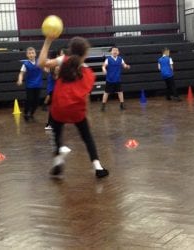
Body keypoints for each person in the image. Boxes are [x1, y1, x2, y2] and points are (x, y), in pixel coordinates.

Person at [38, 36, 109, 179]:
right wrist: (87, 115)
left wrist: (47, 41)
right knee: (87, 137)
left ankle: (58, 162)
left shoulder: (62, 60)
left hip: (59, 107)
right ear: (85, 54)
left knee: (57, 134)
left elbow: (41, 63)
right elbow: (85, 96)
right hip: (77, 110)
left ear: (70, 50)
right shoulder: (88, 72)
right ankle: (98, 167)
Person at [17, 47, 44, 121]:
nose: (31, 54)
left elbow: (46, 68)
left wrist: (48, 69)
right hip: (30, 86)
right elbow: (21, 74)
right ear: (27, 55)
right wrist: (20, 80)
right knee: (29, 100)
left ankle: (31, 114)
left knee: (36, 101)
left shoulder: (40, 62)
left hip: (38, 85)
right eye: (29, 53)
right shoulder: (25, 64)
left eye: (32, 53)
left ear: (35, 54)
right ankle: (26, 113)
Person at [101, 46, 130, 111]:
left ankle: (122, 105)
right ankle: (103, 106)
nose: (115, 51)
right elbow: (103, 66)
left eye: (116, 50)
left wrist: (127, 66)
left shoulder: (120, 59)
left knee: (120, 92)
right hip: (109, 79)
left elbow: (124, 65)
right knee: (106, 92)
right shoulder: (108, 59)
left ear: (118, 52)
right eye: (114, 50)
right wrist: (104, 69)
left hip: (117, 79)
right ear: (111, 52)